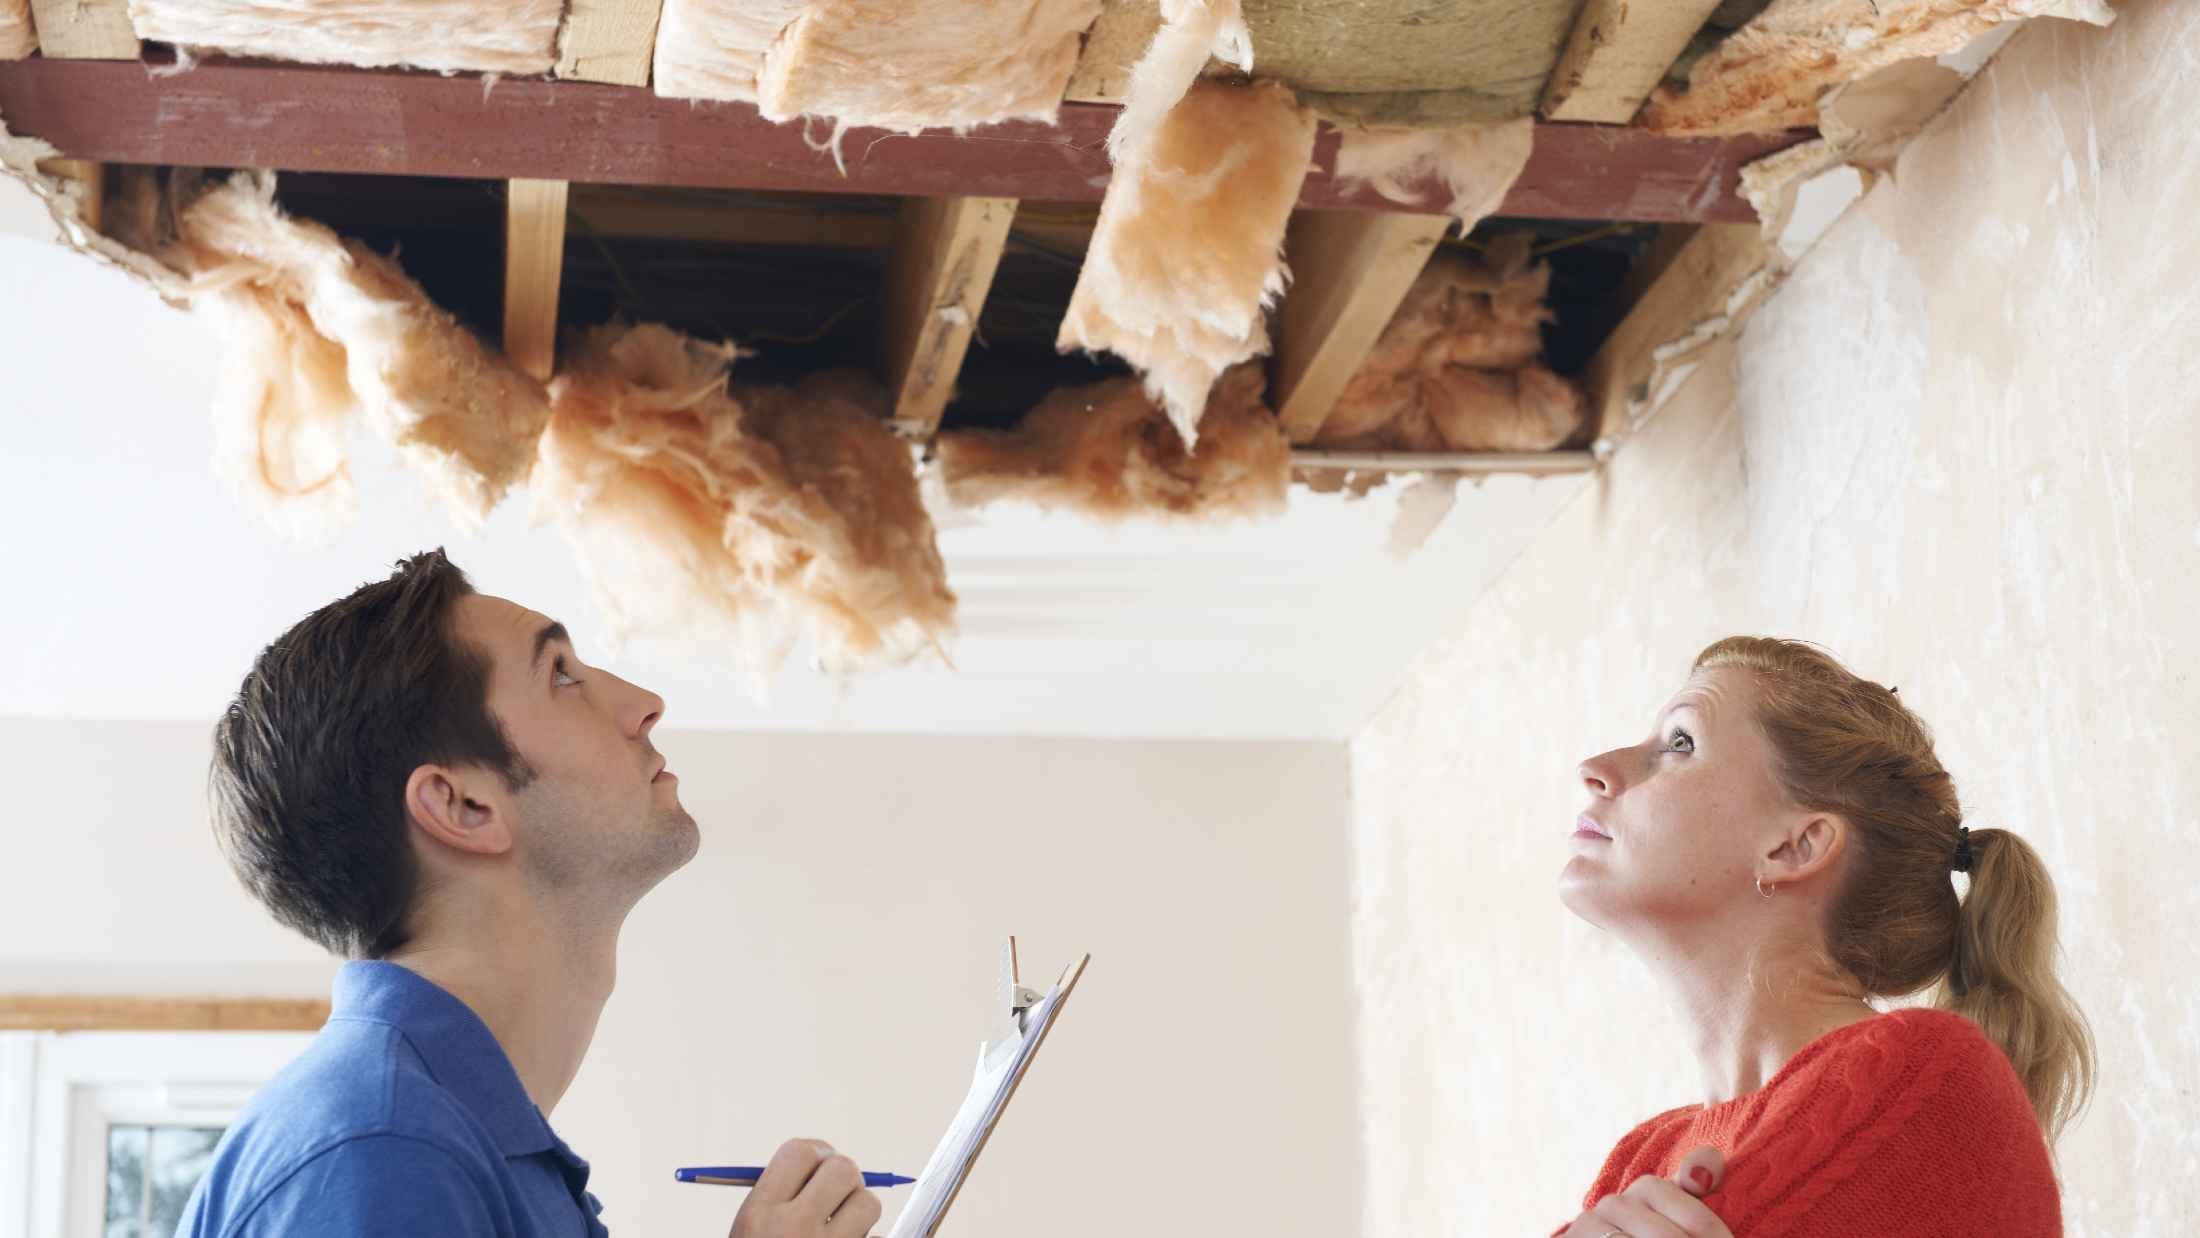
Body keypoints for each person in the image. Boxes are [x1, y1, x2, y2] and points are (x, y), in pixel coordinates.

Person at [178, 550, 882, 1238]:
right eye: (562, 675)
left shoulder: (443, 1145)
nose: (645, 705)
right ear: (463, 807)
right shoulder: (386, 1151)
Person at [1550, 637, 2095, 1238]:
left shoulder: (1918, 1079)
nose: (1596, 769)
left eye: (1681, 743)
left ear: (1796, 845)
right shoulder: (1641, 1161)